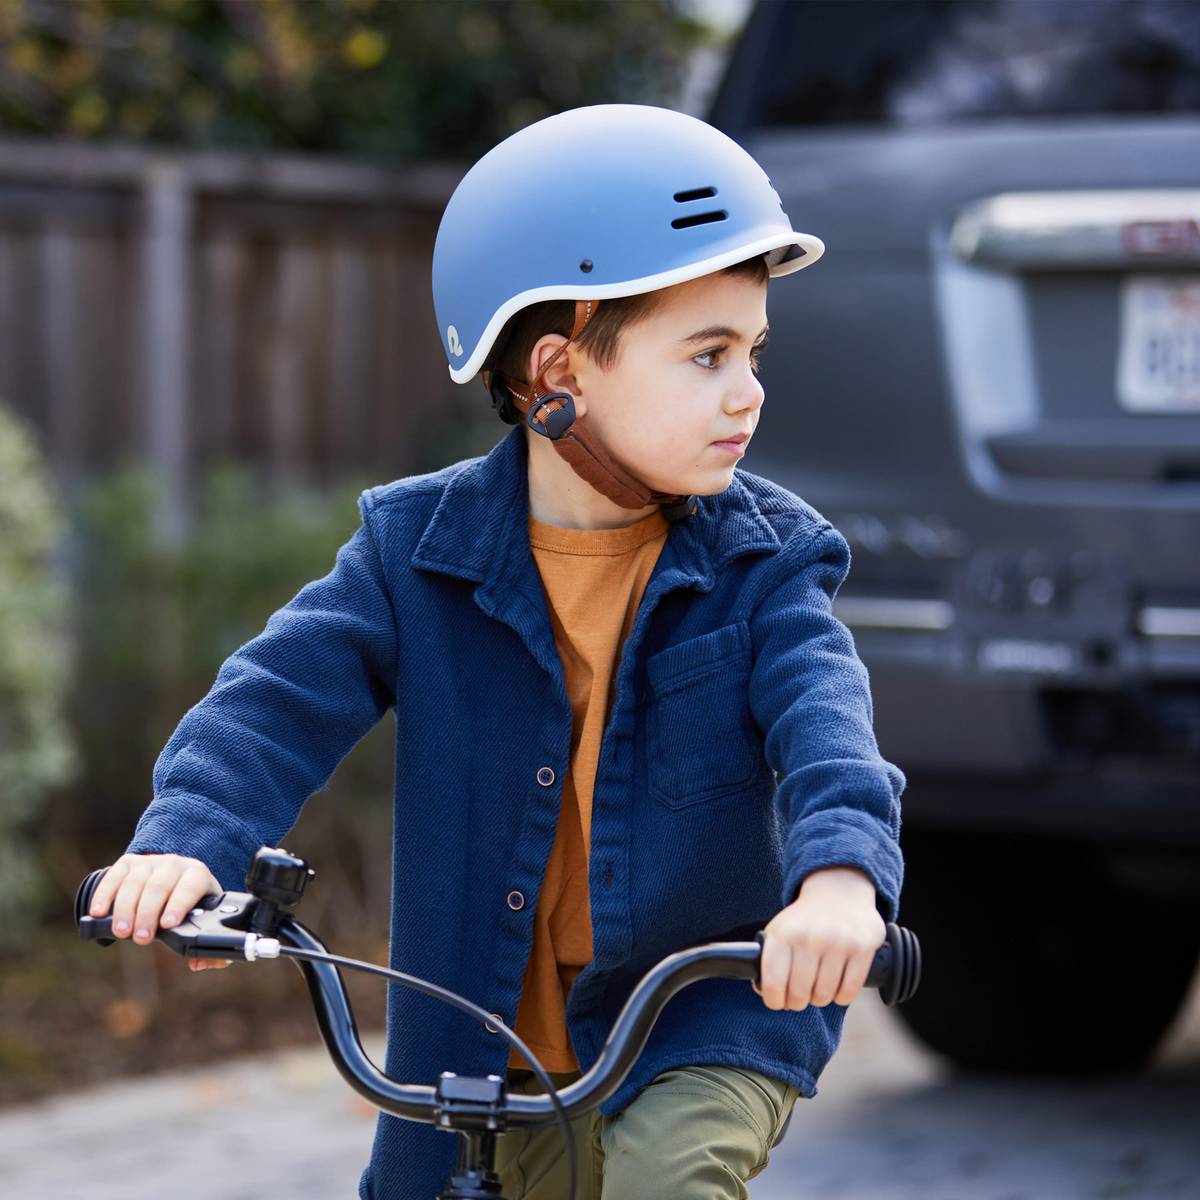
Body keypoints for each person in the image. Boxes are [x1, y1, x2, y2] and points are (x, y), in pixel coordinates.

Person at [86, 103, 905, 1200]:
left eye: (752, 351)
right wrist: (189, 840)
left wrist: (840, 881)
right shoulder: (415, 552)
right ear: (560, 372)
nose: (747, 389)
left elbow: (828, 733)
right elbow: (275, 700)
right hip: (479, 1028)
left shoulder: (768, 562)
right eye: (707, 355)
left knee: (667, 1177)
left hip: (700, 1013)